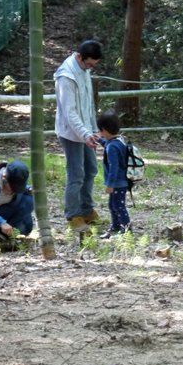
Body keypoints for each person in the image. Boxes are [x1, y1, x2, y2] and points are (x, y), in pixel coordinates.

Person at [54, 40, 103, 230]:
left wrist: (93, 129)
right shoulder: (66, 76)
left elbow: (89, 103)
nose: (91, 68)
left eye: (93, 65)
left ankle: (86, 209)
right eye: (89, 64)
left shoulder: (85, 70)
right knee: (76, 175)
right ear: (79, 57)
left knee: (91, 170)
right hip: (70, 133)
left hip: (86, 132)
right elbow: (70, 111)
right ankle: (73, 215)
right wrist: (84, 133)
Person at [98, 111, 131, 238]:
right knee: (112, 205)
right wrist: (100, 140)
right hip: (120, 182)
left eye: (101, 131)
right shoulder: (118, 140)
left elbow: (113, 167)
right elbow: (108, 144)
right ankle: (115, 227)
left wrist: (110, 185)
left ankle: (126, 230)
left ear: (104, 130)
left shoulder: (112, 147)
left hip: (117, 183)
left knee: (119, 206)